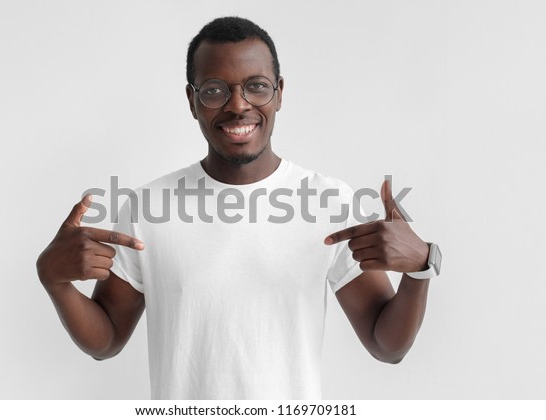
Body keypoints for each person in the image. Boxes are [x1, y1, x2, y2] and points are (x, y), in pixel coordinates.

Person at [36, 16, 441, 400]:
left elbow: (386, 346)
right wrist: (54, 280)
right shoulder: (148, 208)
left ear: (279, 93)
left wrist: (421, 267)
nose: (237, 105)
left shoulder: (329, 202)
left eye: (256, 87)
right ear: (192, 101)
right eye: (214, 90)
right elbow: (106, 341)